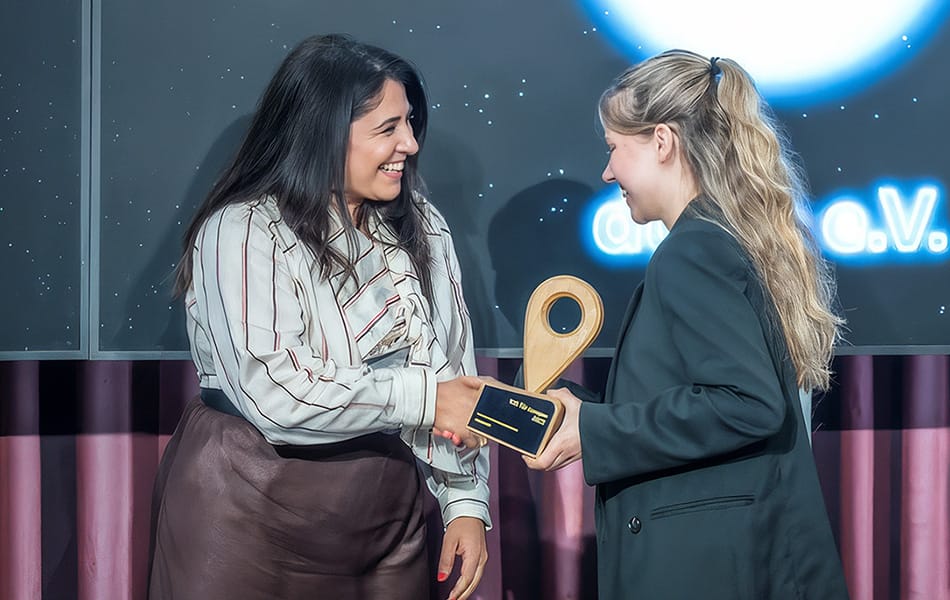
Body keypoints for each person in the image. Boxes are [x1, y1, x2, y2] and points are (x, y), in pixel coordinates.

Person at [149, 34, 490, 600]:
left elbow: (454, 366)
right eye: (387, 128)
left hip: (388, 521)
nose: (409, 142)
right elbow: (273, 393)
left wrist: (464, 502)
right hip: (248, 513)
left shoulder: (422, 226)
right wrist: (428, 399)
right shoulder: (243, 231)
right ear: (322, 132)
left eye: (409, 123)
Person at [525, 50, 850, 599]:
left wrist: (596, 430)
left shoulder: (693, 250)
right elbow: (689, 396)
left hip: (713, 566)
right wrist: (580, 413)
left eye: (613, 149)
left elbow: (747, 403)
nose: (606, 172)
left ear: (662, 141)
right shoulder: (716, 239)